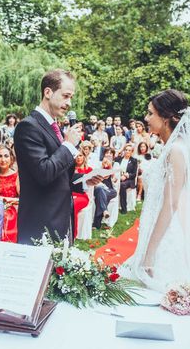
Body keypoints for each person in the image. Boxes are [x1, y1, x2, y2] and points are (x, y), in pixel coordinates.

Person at [120, 89, 190, 299]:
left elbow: (172, 203)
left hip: (164, 236)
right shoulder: (169, 148)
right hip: (152, 228)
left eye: (150, 113)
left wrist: (151, 251)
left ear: (166, 117)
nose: (146, 118)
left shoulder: (176, 150)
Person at [14, 69, 102, 244]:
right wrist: (68, 145)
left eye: (71, 97)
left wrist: (83, 180)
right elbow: (44, 172)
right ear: (48, 92)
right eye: (65, 96)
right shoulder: (28, 127)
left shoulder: (54, 127)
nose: (69, 103)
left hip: (60, 218)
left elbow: (59, 174)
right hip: (40, 223)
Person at [0, 145, 19, 243]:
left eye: (6, 156)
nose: (3, 159)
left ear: (11, 158)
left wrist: (4, 200)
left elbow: (23, 200)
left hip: (9, 216)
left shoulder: (17, 176)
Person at [93, 152, 118, 228]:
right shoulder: (98, 167)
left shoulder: (113, 168)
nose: (107, 160)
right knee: (100, 191)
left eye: (109, 158)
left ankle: (97, 224)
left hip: (110, 191)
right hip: (99, 189)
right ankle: (104, 211)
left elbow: (114, 179)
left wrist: (110, 167)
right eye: (106, 157)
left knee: (101, 196)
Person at [71, 152, 92, 239]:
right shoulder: (70, 169)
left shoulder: (89, 169)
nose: (78, 158)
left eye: (80, 155)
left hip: (82, 196)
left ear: (84, 157)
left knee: (73, 205)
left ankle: (73, 233)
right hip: (69, 193)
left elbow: (89, 186)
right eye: (76, 156)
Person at [116, 144, 138, 214]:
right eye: (126, 150)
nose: (127, 151)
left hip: (129, 180)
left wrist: (126, 175)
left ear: (132, 152)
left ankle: (124, 208)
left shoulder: (134, 161)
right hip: (118, 178)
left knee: (122, 185)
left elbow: (134, 174)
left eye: (129, 150)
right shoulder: (119, 159)